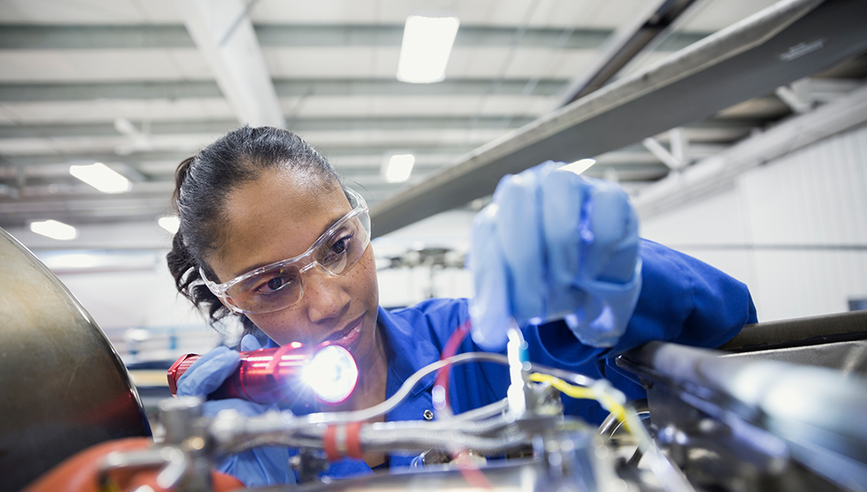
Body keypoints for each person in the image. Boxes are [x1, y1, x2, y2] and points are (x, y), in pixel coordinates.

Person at [167, 126, 757, 487]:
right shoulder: (227, 431)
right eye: (272, 284)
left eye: (338, 246)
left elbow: (723, 329)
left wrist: (620, 284)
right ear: (227, 298)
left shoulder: (470, 347)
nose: (327, 300)